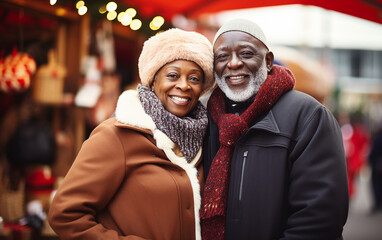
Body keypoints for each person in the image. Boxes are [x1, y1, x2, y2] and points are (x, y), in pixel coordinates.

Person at [48, 28, 214, 240]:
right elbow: (65, 215)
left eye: (194, 78)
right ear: (153, 80)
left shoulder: (206, 139)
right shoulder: (115, 135)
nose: (184, 85)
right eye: (172, 75)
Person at [200, 19, 349, 240]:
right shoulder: (202, 116)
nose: (233, 63)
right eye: (222, 56)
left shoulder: (309, 116)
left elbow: (318, 220)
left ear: (268, 61)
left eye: (246, 53)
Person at [369, 127, 382, 213]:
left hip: (378, 165)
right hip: (377, 164)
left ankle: (378, 204)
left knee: (377, 185)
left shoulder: (379, 137)